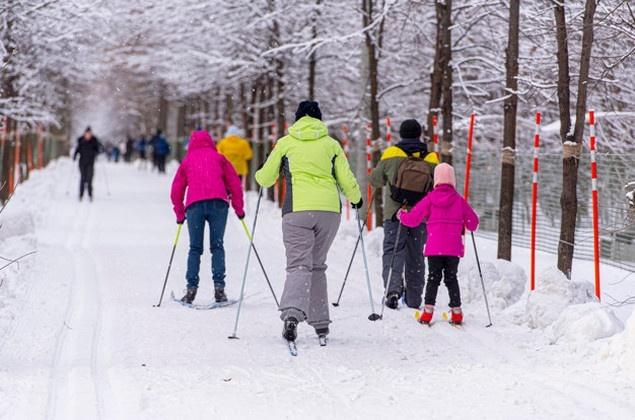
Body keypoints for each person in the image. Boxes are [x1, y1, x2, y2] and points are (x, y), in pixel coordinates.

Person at [255, 101, 362, 345]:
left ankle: (292, 315)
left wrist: (261, 173)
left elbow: (265, 178)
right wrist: (356, 199)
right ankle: (321, 323)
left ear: (298, 119)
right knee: (317, 265)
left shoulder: (285, 143)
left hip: (297, 211)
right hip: (328, 211)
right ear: (319, 119)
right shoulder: (331, 144)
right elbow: (346, 177)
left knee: (299, 265)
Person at [367, 119, 439, 310]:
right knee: (416, 254)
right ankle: (415, 298)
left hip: (394, 213)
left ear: (401, 134)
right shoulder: (431, 157)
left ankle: (392, 291)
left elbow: (375, 180)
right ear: (419, 134)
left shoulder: (392, 154)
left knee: (393, 250)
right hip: (421, 214)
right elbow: (437, 186)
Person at [398, 163, 479, 325]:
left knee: (433, 279)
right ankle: (457, 313)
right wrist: (466, 221)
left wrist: (402, 215)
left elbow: (413, 220)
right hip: (453, 249)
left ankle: (427, 313)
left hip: (434, 248)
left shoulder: (430, 199)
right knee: (451, 278)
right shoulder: (459, 200)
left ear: (436, 179)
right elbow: (473, 223)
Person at [170, 130, 244, 304]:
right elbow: (235, 183)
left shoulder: (187, 161)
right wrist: (238, 208)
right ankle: (219, 289)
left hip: (194, 206)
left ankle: (191, 290)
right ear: (210, 142)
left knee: (195, 248)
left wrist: (180, 213)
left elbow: (176, 190)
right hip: (219, 204)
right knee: (217, 246)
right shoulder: (219, 158)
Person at [73, 126, 102, 201]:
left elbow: (98, 150)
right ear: (85, 133)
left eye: (89, 133)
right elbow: (77, 149)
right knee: (83, 178)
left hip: (90, 162)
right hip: (82, 162)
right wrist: (75, 156)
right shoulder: (81, 140)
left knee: (89, 179)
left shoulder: (94, 140)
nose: (88, 135)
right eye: (87, 133)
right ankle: (81, 195)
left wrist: (97, 152)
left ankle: (90, 195)